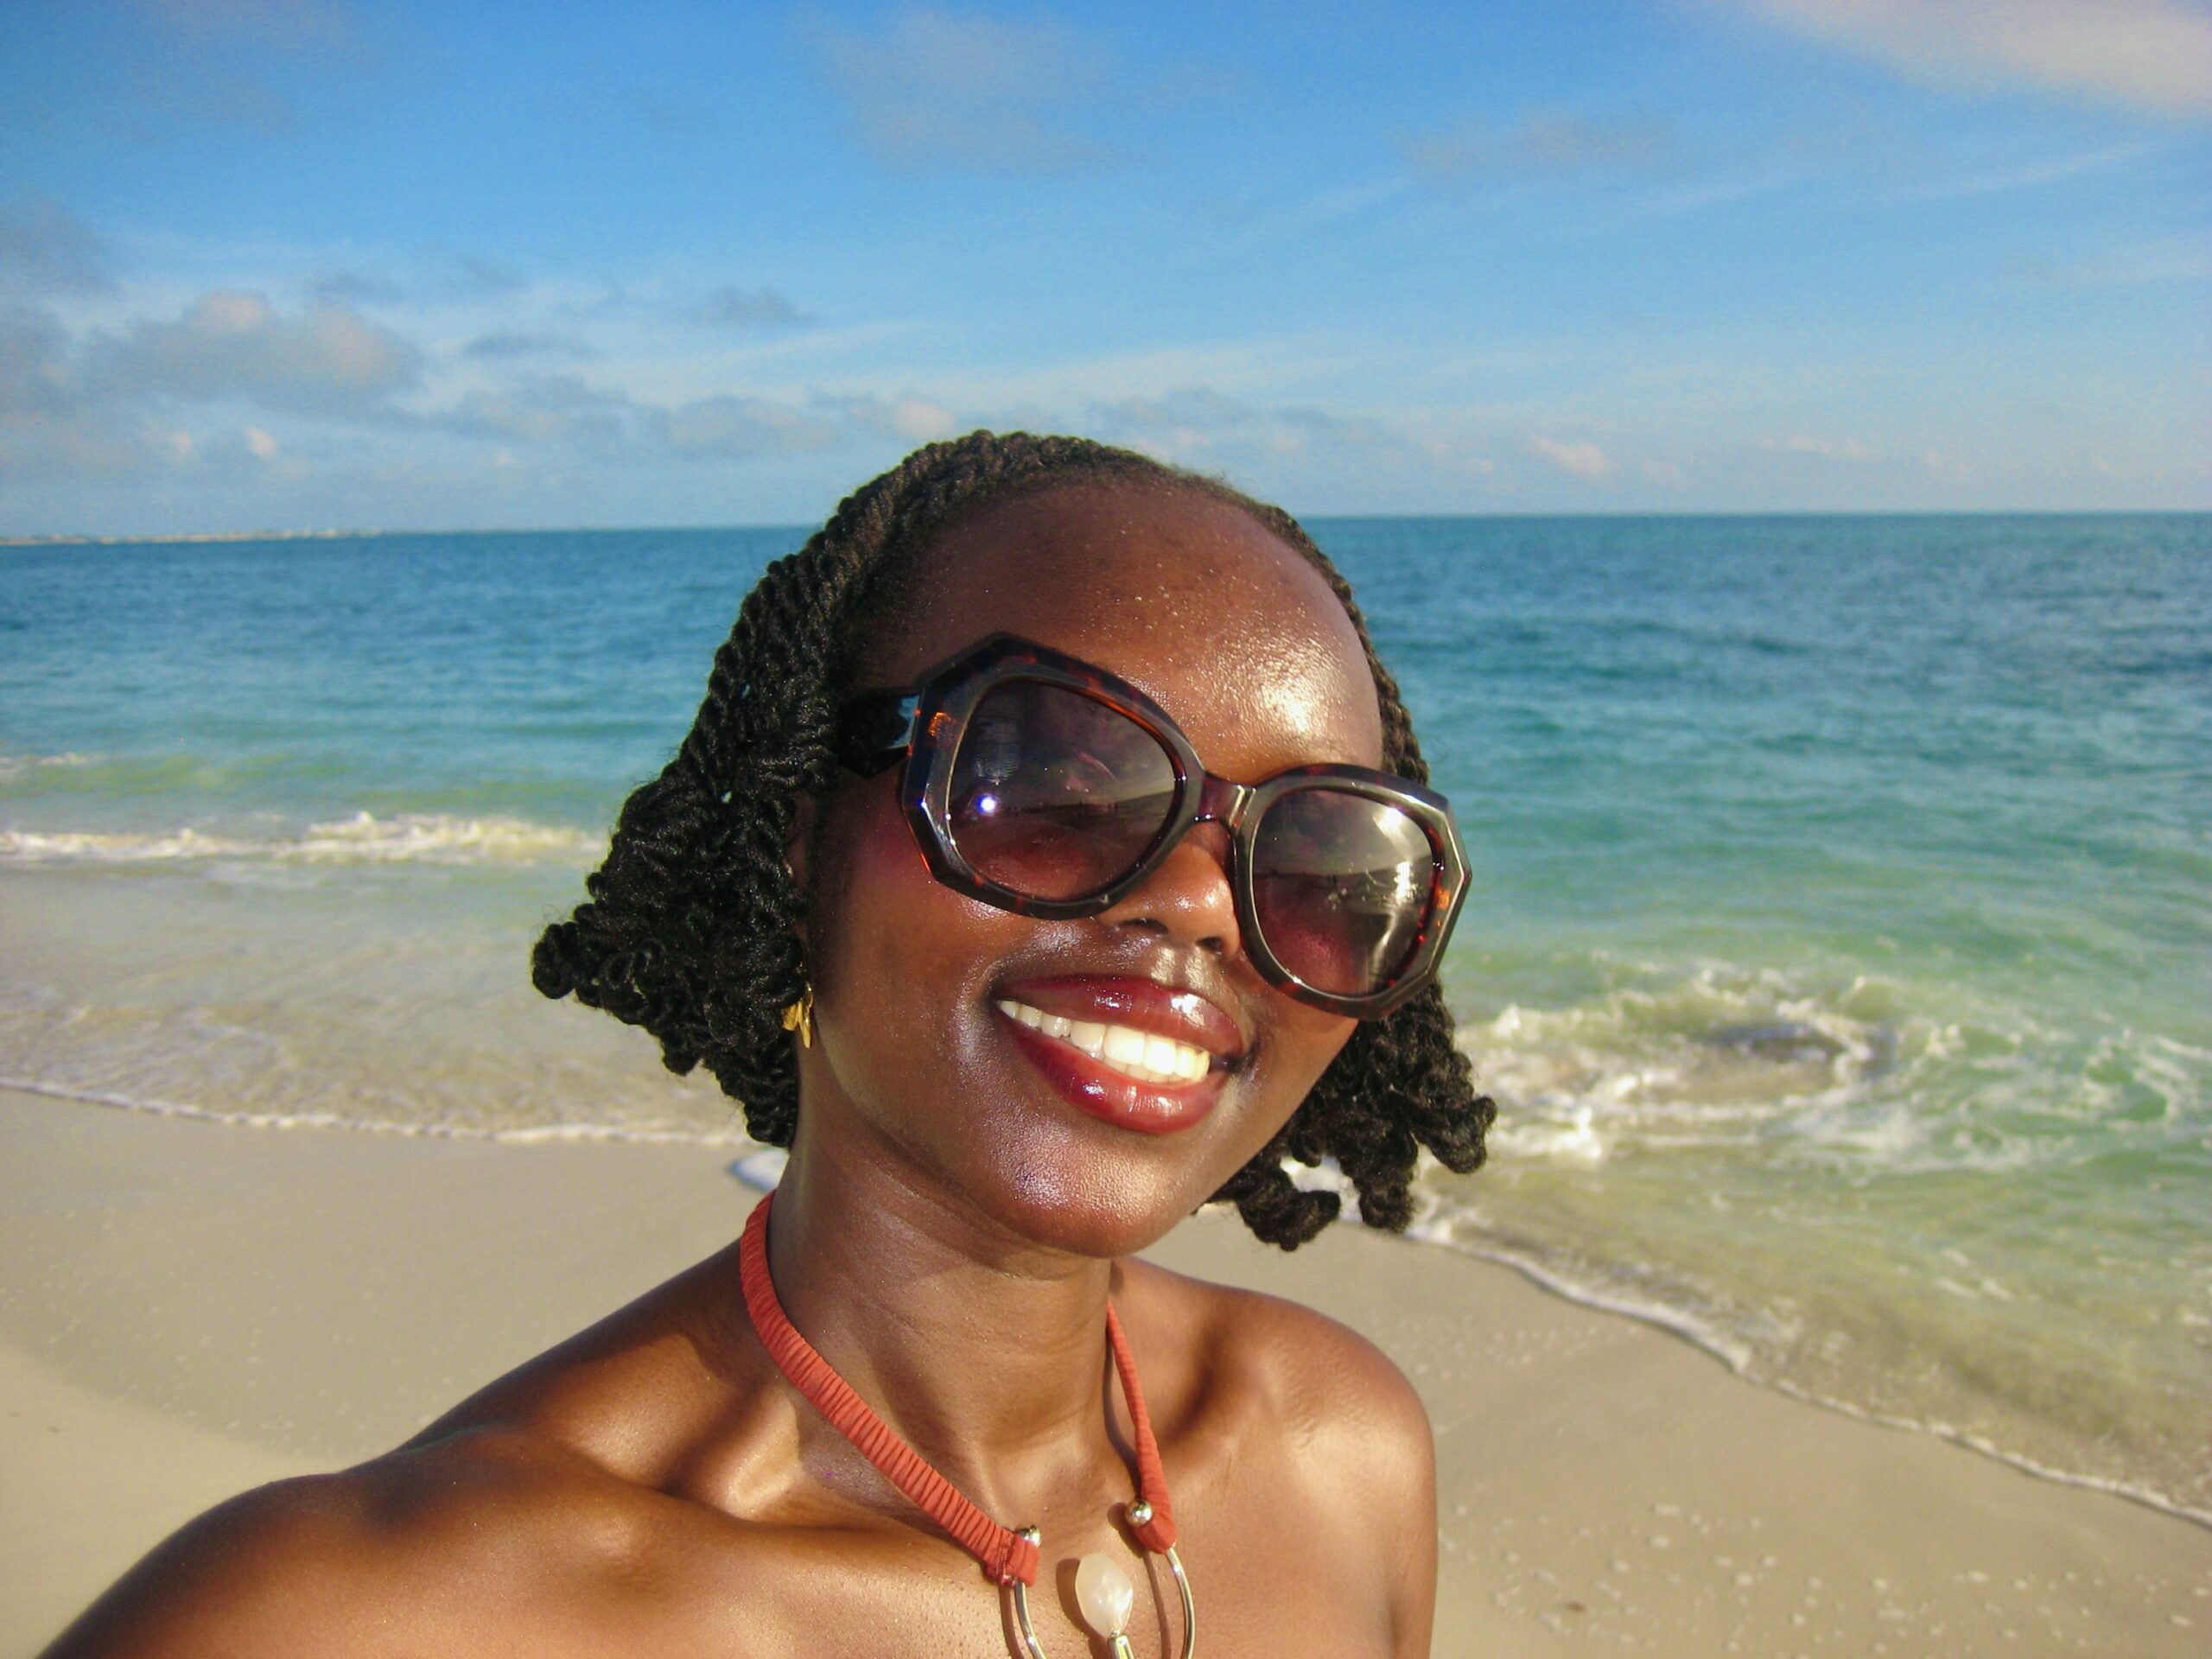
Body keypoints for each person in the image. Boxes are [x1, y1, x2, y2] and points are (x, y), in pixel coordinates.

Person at [46, 432, 1494, 1658]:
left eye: (1324, 861)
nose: (1200, 907)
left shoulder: (1343, 1458)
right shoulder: (378, 1616)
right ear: (800, 829)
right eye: (1052, 779)